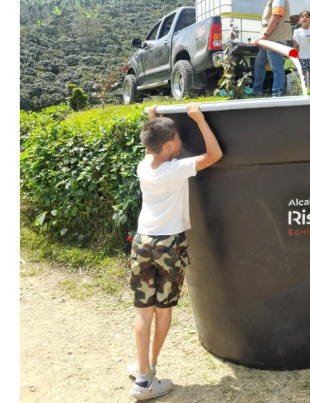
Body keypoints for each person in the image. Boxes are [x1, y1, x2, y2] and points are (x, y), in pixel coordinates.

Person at [127, 103, 223, 400]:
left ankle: (144, 371)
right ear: (169, 146)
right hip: (169, 245)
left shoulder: (145, 166)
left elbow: (150, 146)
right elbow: (215, 155)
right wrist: (199, 119)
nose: (181, 142)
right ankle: (147, 376)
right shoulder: (177, 169)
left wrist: (152, 118)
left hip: (142, 242)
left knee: (144, 311)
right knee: (163, 308)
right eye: (178, 139)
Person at [252, 0, 291, 97]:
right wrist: (262, 36)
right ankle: (257, 91)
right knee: (259, 64)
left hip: (275, 39)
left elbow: (276, 16)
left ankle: (277, 94)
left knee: (277, 67)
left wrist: (265, 35)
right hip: (268, 39)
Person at [292, 10, 310, 89]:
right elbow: (295, 45)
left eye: (307, 17)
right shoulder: (297, 32)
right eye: (302, 17)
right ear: (299, 20)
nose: (304, 18)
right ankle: (300, 91)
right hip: (301, 58)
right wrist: (295, 56)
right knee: (301, 76)